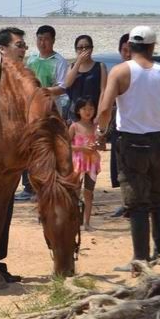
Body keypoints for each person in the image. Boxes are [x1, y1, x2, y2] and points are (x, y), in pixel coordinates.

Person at [96, 26, 160, 273]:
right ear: (153, 47)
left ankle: (140, 259)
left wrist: (102, 133)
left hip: (131, 142)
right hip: (158, 141)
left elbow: (104, 110)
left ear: (130, 46)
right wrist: (157, 123)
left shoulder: (120, 71)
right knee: (159, 199)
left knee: (136, 202)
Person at [17, 25, 68, 200]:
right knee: (28, 148)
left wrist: (42, 93)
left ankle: (48, 186)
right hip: (30, 114)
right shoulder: (31, 60)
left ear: (53, 40)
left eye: (46, 39)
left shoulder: (59, 61)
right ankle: (28, 187)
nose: (42, 43)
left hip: (50, 113)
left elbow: (63, 87)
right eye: (39, 39)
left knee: (48, 150)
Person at [0, 27, 28, 283]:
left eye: (24, 45)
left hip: (13, 154)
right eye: (19, 44)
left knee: (5, 209)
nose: (24, 49)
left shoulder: (22, 77)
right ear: (2, 49)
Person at [69, 97, 102, 231]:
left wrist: (98, 145)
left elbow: (102, 144)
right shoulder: (74, 126)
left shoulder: (96, 127)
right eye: (84, 109)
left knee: (89, 193)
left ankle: (87, 223)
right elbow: (66, 144)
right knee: (75, 192)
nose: (88, 111)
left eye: (91, 109)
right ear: (78, 110)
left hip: (92, 163)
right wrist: (81, 149)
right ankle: (74, 222)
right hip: (78, 162)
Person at [108, 33, 132, 208]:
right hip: (120, 125)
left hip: (139, 129)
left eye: (131, 50)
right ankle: (126, 202)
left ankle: (133, 204)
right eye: (124, 50)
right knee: (120, 167)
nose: (128, 54)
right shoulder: (116, 72)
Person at [63, 34, 107, 121]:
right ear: (76, 50)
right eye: (80, 48)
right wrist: (78, 62)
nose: (83, 50)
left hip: (93, 112)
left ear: (91, 49)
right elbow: (67, 83)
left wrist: (99, 114)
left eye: (87, 47)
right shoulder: (72, 67)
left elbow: (103, 91)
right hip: (75, 113)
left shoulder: (100, 66)